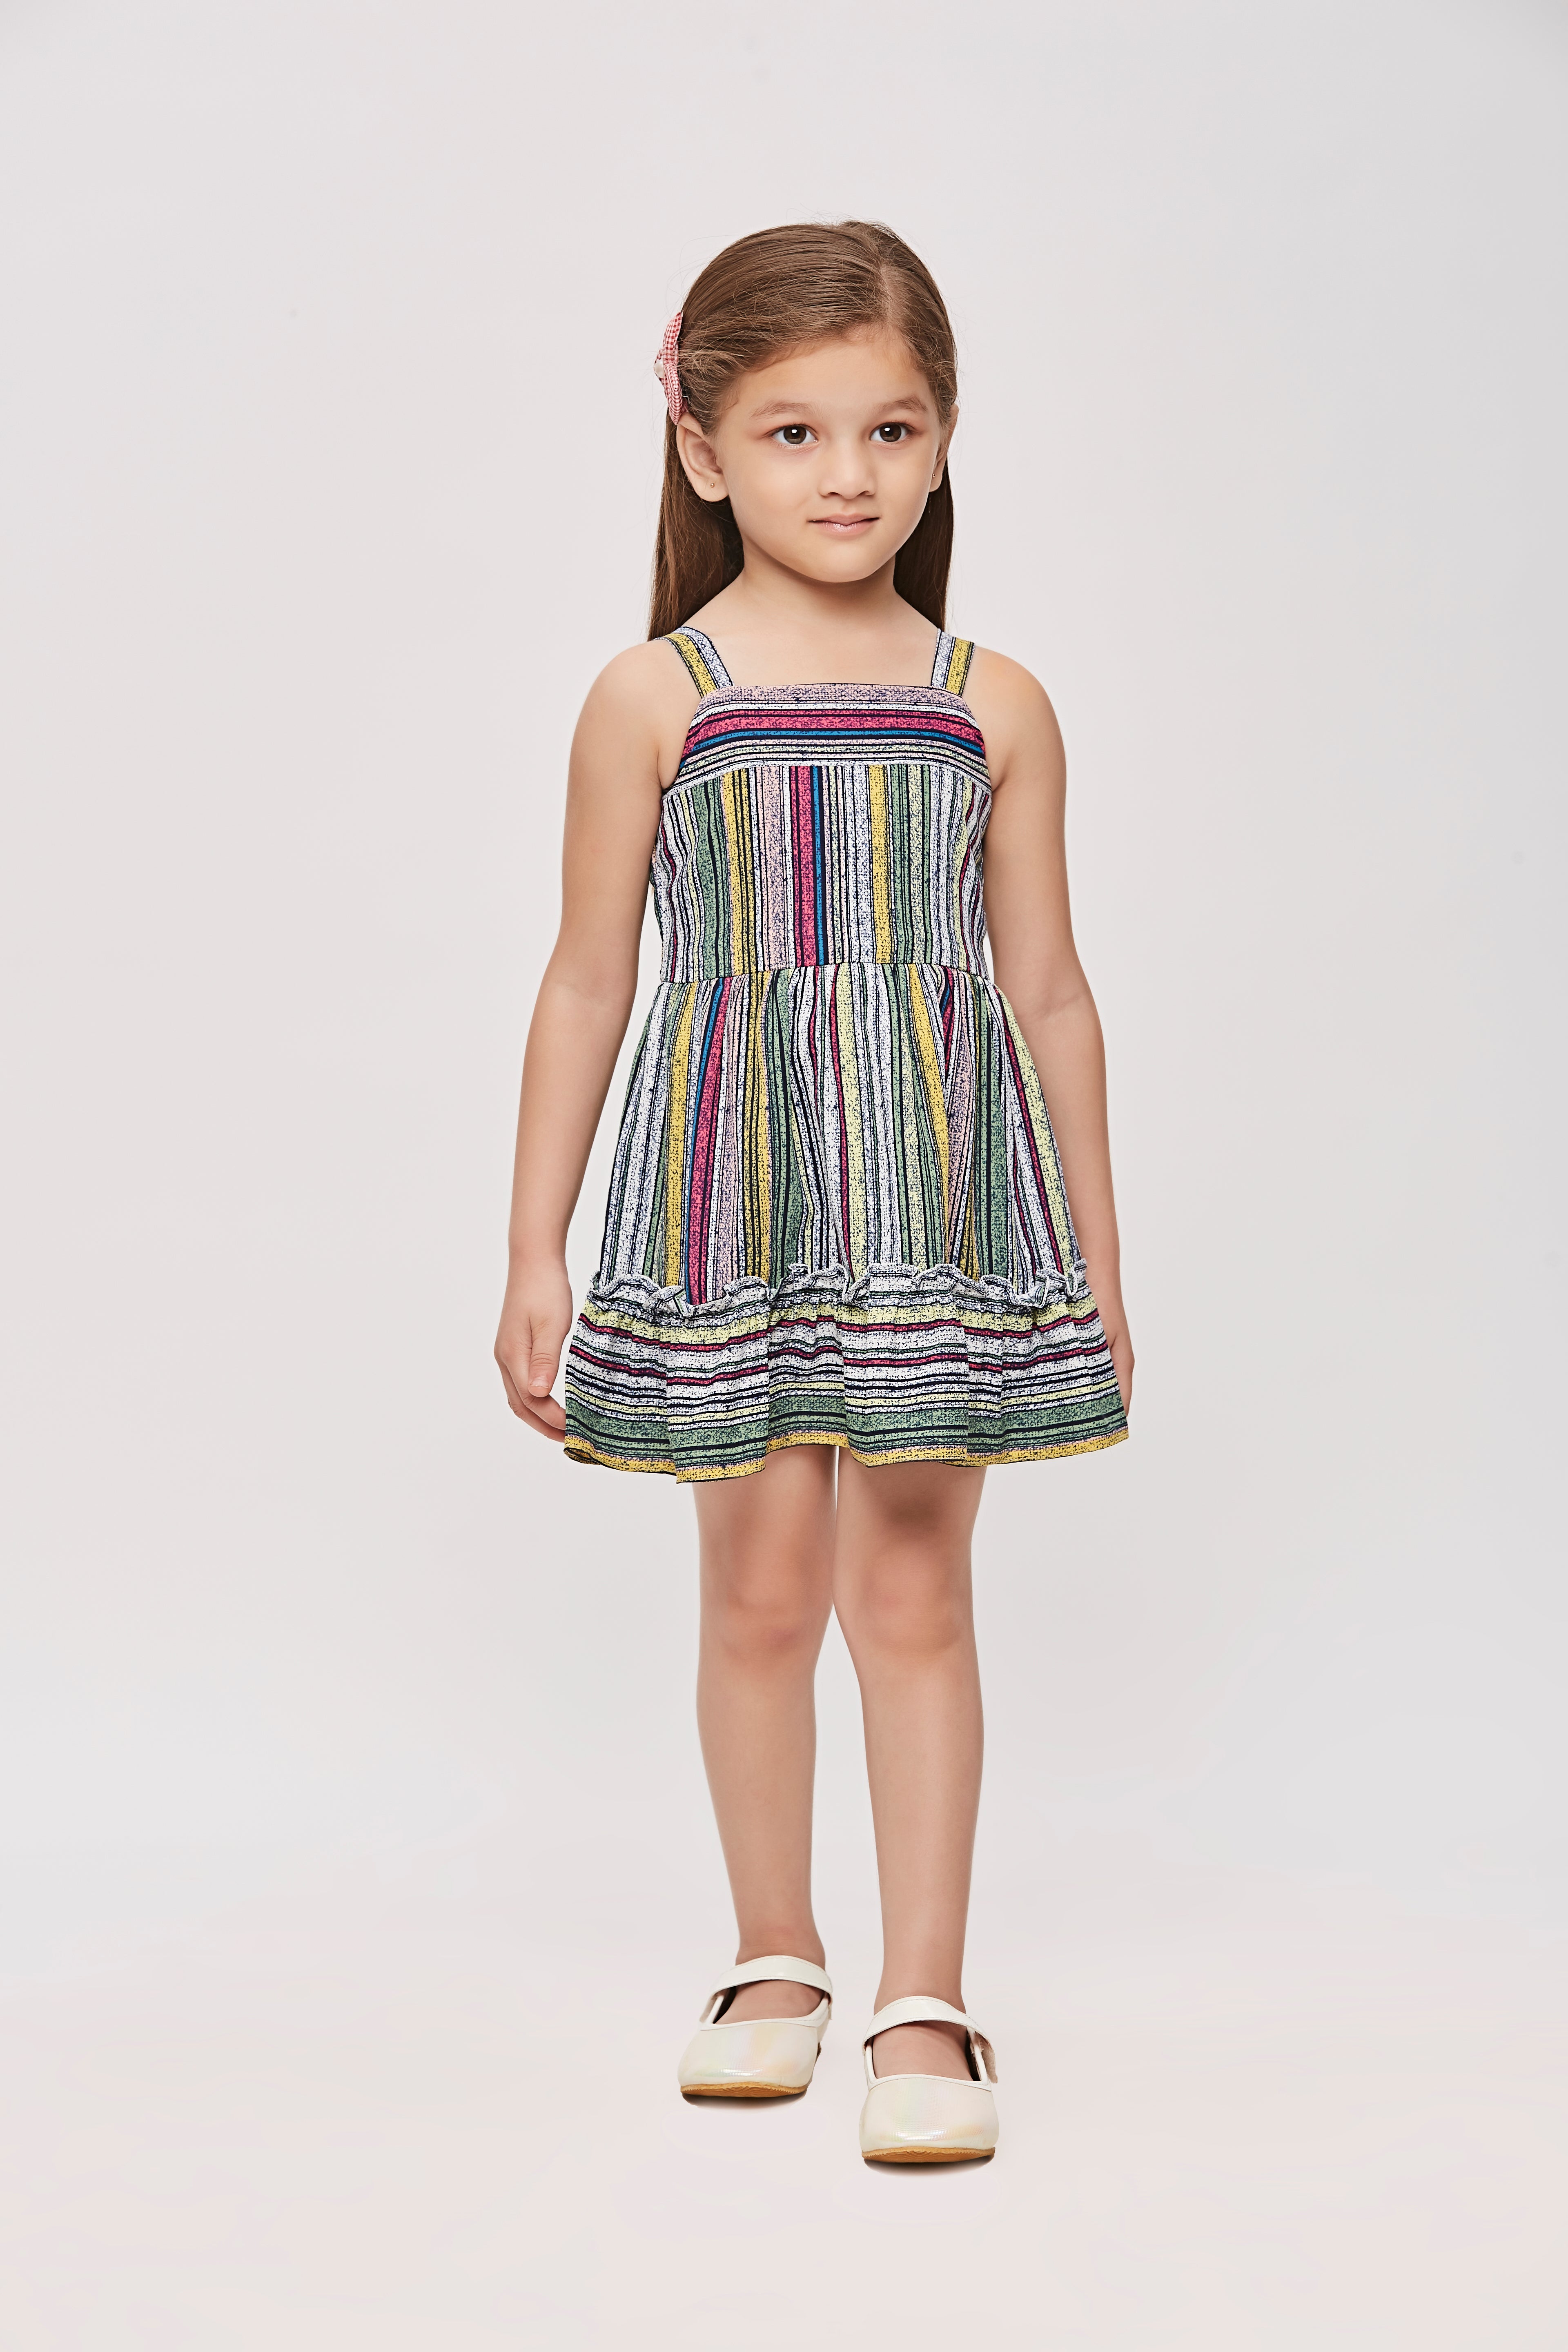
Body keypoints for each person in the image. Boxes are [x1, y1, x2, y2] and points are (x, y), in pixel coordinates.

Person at [494, 221, 1131, 2165]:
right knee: (761, 1592)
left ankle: (927, 1995)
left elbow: (1048, 992)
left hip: (940, 1200)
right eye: (792, 432)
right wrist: (533, 1249)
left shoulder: (992, 700)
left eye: (890, 429)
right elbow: (588, 979)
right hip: (732, 1196)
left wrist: (1097, 1265)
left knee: (914, 1589)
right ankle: (776, 1956)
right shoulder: (653, 696)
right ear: (702, 449)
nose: (847, 475)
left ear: (944, 443)